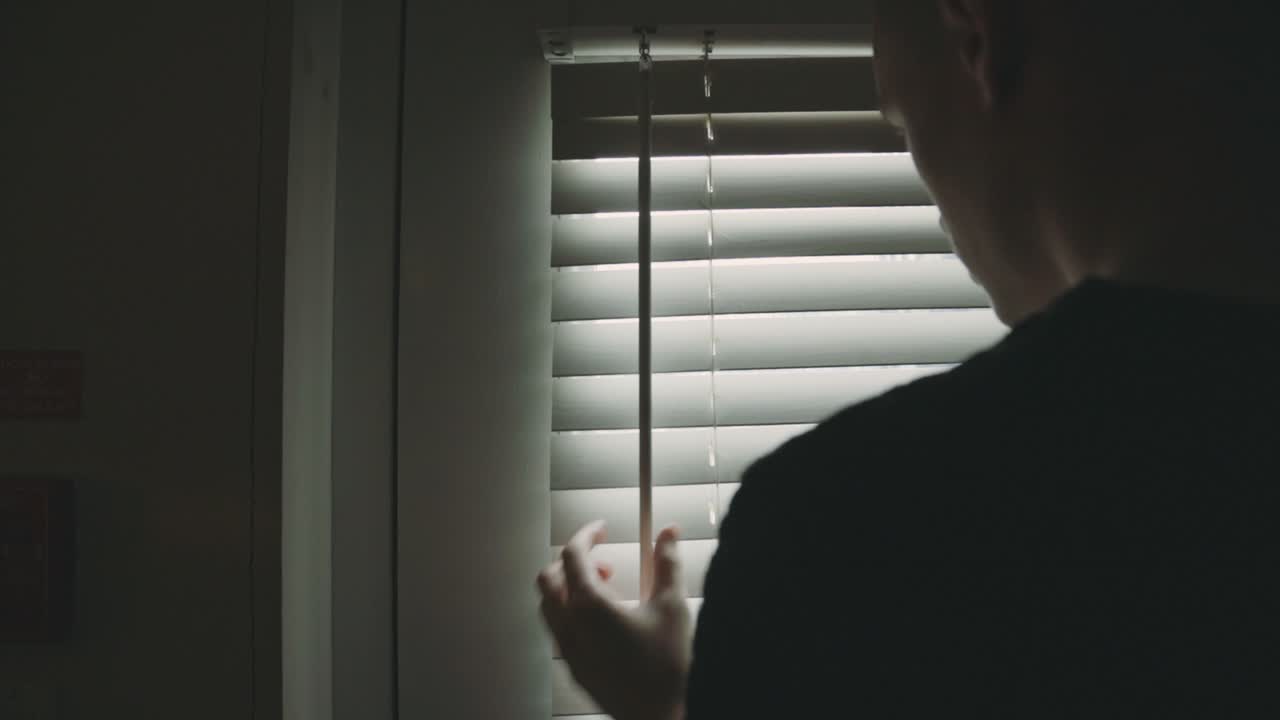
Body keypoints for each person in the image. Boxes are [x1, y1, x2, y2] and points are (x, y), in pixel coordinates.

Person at [536, 1, 1280, 716]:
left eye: (903, 122)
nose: (929, 194)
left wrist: (670, 708)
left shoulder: (853, 529)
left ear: (978, 33)